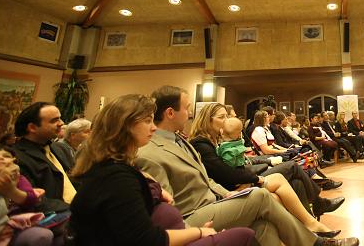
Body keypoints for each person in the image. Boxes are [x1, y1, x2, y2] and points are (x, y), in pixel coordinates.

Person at [135, 86, 358, 246]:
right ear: (170, 113)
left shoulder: (180, 140)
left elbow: (207, 179)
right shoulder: (151, 153)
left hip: (215, 199)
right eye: (186, 108)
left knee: (263, 225)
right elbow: (167, 210)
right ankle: (314, 242)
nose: (190, 113)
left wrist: (227, 196)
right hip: (192, 215)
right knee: (260, 196)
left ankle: (313, 220)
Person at [69, 94, 256, 246]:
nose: (153, 127)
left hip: (182, 225)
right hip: (179, 229)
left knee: (261, 225)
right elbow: (146, 239)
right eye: (148, 121)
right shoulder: (116, 176)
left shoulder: (124, 167)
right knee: (246, 229)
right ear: (126, 125)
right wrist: (198, 232)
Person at [188, 104, 341, 236]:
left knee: (296, 182)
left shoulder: (216, 140)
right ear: (208, 119)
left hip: (244, 177)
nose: (227, 121)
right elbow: (227, 173)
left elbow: (242, 161)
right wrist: (256, 176)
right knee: (293, 166)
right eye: (222, 117)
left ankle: (310, 226)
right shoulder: (202, 143)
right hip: (236, 185)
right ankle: (317, 207)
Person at [12, 102, 74, 212]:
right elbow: (36, 200)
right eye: (54, 120)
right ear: (32, 127)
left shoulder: (61, 149)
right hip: (57, 216)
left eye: (60, 118)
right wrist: (78, 210)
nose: (62, 123)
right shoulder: (16, 157)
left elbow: (76, 180)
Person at [0, 146, 53, 246]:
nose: (0, 158)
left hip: (15, 223)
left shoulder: (19, 178)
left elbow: (31, 200)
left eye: (6, 156)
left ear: (14, 162)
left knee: (42, 235)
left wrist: (11, 190)